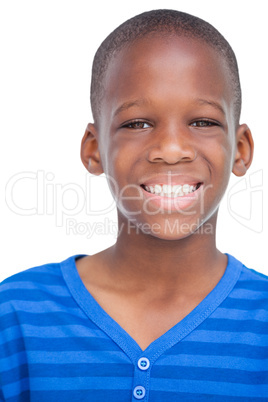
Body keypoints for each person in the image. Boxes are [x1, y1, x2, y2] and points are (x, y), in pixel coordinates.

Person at [1, 9, 267, 401]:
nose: (171, 150)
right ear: (94, 151)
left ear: (241, 151)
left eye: (203, 122)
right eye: (137, 123)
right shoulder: (16, 315)